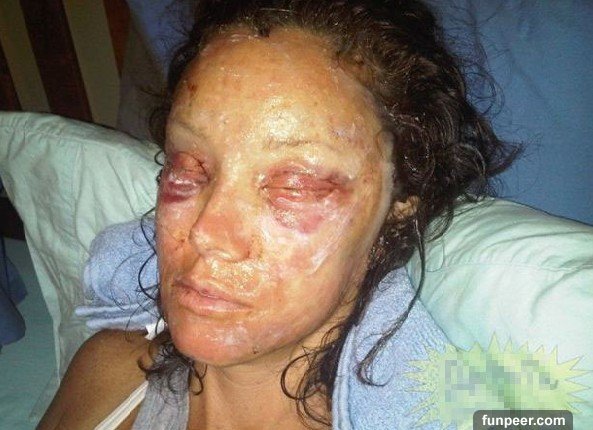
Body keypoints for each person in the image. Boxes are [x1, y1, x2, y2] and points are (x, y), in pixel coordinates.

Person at [37, 0, 517, 429]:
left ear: (399, 204)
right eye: (188, 168)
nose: (206, 233)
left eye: (294, 185)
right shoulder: (110, 372)